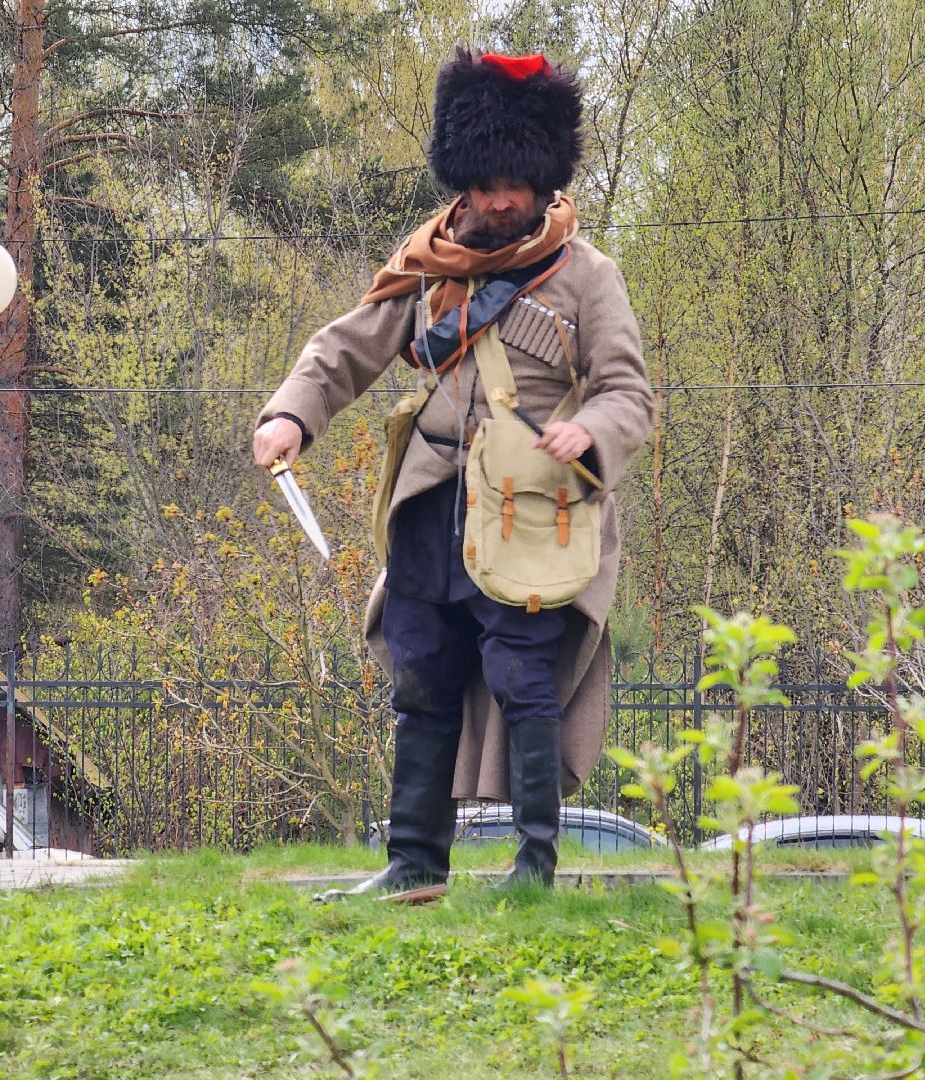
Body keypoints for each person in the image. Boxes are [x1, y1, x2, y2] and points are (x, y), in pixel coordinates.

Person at [252, 48, 654, 898]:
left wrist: (588, 429)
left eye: (518, 181)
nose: (502, 198)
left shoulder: (588, 278)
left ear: (546, 177)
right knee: (420, 679)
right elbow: (342, 351)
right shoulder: (427, 266)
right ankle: (413, 870)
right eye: (486, 181)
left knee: (522, 679)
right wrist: (289, 413)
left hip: (533, 515)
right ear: (462, 180)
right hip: (432, 505)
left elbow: (629, 394)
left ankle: (534, 871)